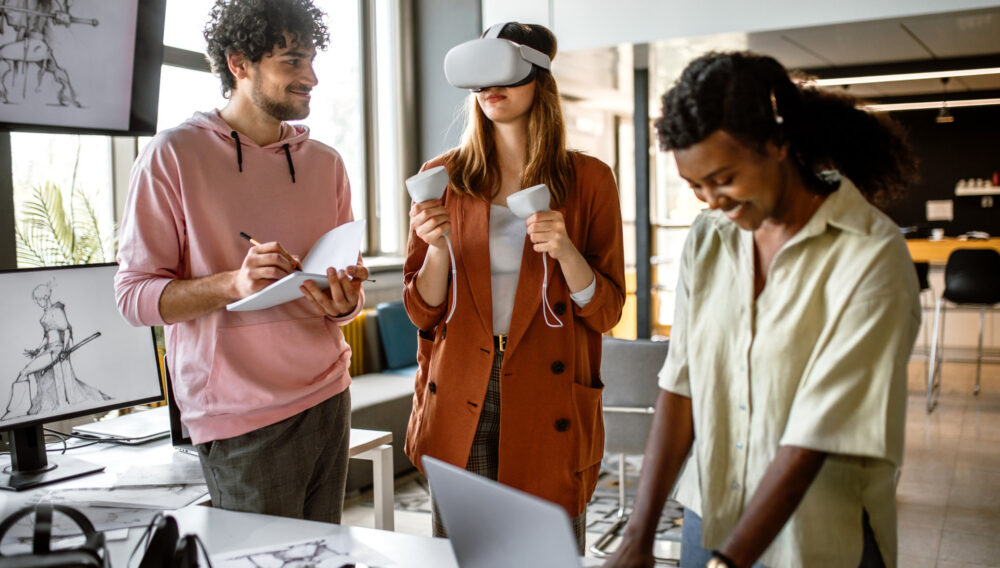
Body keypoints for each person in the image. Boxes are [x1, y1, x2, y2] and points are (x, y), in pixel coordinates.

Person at [604, 51, 921, 568]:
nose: (711, 201)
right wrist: (637, 537)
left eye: (723, 178)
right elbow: (680, 385)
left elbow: (814, 437)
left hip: (817, 534)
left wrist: (728, 563)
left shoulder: (869, 255)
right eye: (695, 186)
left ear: (777, 144)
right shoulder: (709, 239)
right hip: (710, 511)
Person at [114, 0, 368, 523]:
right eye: (293, 61)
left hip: (329, 395)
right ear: (239, 64)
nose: (311, 77)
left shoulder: (327, 164)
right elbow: (133, 298)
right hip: (240, 417)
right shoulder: (172, 156)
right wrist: (234, 283)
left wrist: (345, 302)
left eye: (311, 60)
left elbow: (346, 293)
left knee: (322, 555)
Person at [404, 22, 626, 553]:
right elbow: (422, 312)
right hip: (460, 383)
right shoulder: (442, 176)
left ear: (538, 78)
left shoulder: (589, 179)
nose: (489, 88)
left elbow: (607, 311)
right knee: (465, 553)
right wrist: (437, 248)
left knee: (544, 552)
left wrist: (566, 250)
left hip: (548, 389)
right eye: (479, 77)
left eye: (502, 72)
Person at [3, 282, 109, 419]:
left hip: (56, 349)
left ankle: (17, 409)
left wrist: (64, 350)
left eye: (38, 299)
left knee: (24, 372)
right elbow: (46, 336)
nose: (37, 302)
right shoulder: (46, 314)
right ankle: (19, 408)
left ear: (46, 297)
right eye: (36, 300)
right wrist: (37, 350)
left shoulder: (57, 310)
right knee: (28, 372)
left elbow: (67, 330)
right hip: (48, 349)